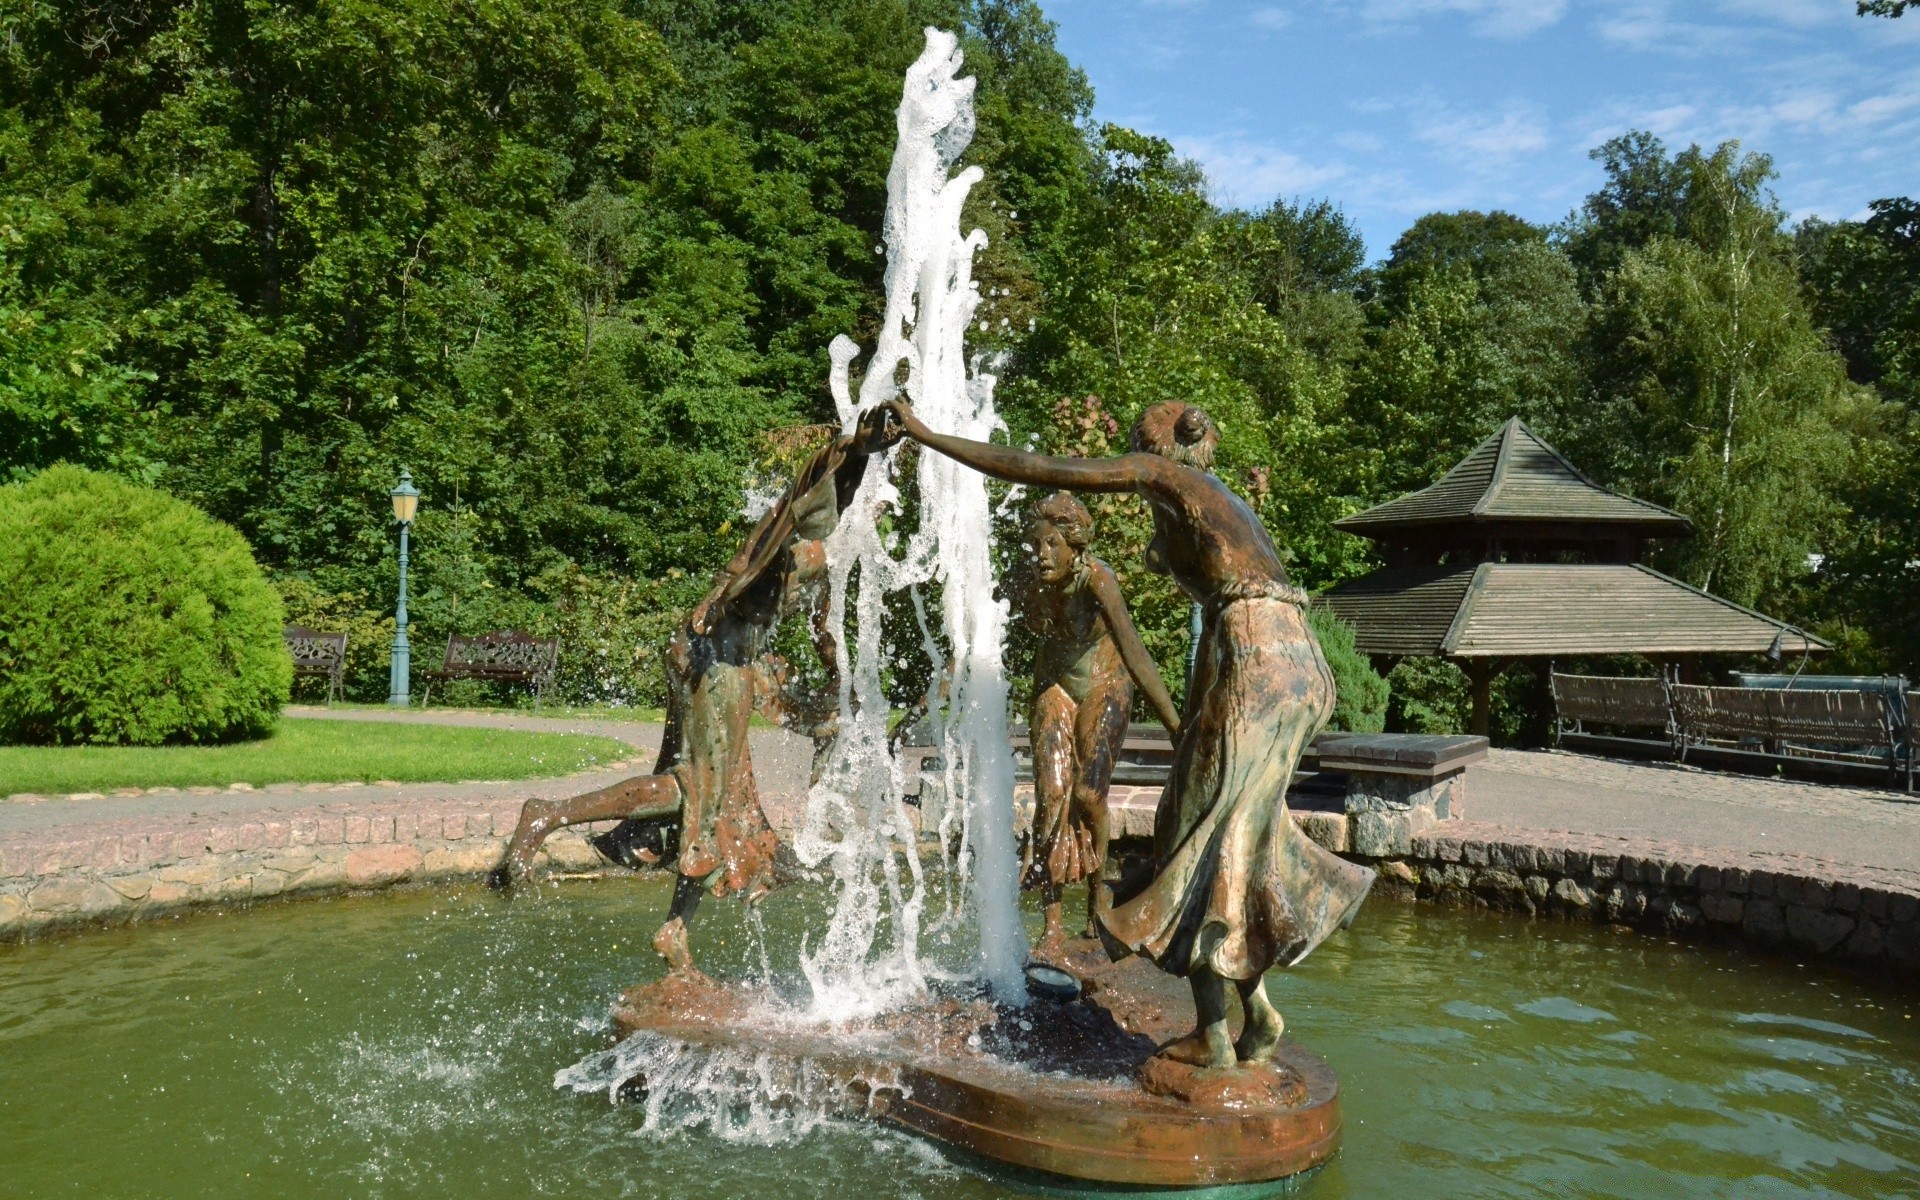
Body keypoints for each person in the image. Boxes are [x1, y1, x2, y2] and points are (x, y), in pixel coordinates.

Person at [887, 397, 1373, 1070]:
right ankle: (1251, 1016)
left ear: (1154, 449)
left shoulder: (1173, 480)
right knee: (1212, 834)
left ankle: (1213, 1033)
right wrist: (1189, 722)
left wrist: (929, 437)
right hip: (1284, 661)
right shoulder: (1211, 501)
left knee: (1200, 842)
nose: (1129, 457)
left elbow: (1036, 467)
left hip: (1257, 656)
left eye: (1136, 444)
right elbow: (1231, 618)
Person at [491, 409, 899, 974]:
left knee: (721, 804)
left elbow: (832, 498)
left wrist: (861, 464)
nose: (853, 509)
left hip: (717, 659)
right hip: (716, 664)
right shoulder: (782, 545)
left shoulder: (799, 546)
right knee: (695, 789)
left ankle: (675, 930)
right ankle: (547, 815)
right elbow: (817, 482)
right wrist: (856, 448)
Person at [1017, 491, 1179, 962]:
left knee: (1088, 795)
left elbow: (1134, 651)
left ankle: (1096, 901)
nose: (1042, 555)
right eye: (1036, 545)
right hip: (1055, 683)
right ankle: (1050, 922)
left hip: (1107, 683)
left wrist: (1173, 722)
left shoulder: (1098, 580)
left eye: (1052, 545)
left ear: (1075, 547)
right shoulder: (1031, 580)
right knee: (1050, 795)